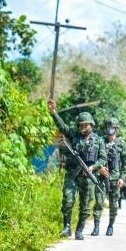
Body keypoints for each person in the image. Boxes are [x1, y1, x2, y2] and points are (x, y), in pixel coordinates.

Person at [48, 100, 106, 240]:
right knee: (68, 200)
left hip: (88, 176)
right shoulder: (74, 136)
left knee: (85, 205)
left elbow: (103, 159)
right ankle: (67, 227)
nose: (84, 127)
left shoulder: (98, 141)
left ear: (91, 125)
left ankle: (79, 230)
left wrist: (93, 167)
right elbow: (62, 126)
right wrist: (53, 112)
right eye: (81, 124)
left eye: (86, 124)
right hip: (73, 174)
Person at [91, 117, 126, 236]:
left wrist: (122, 178)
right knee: (98, 202)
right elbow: (93, 159)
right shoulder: (99, 141)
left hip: (115, 179)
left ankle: (110, 226)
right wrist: (99, 168)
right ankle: (96, 227)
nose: (110, 130)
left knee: (114, 205)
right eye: (108, 127)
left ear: (116, 129)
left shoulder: (121, 144)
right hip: (101, 177)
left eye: (112, 128)